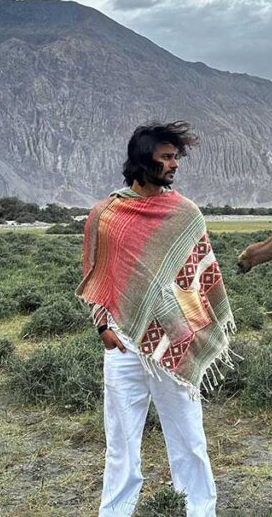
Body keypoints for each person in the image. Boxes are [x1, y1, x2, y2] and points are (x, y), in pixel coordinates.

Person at [76, 121, 236, 517]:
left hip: (173, 345)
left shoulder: (185, 215)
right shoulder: (105, 215)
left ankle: (200, 511)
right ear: (142, 160)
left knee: (189, 441)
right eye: (166, 157)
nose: (173, 165)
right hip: (123, 346)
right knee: (121, 444)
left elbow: (200, 280)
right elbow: (96, 273)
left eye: (175, 157)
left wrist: (188, 330)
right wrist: (103, 326)